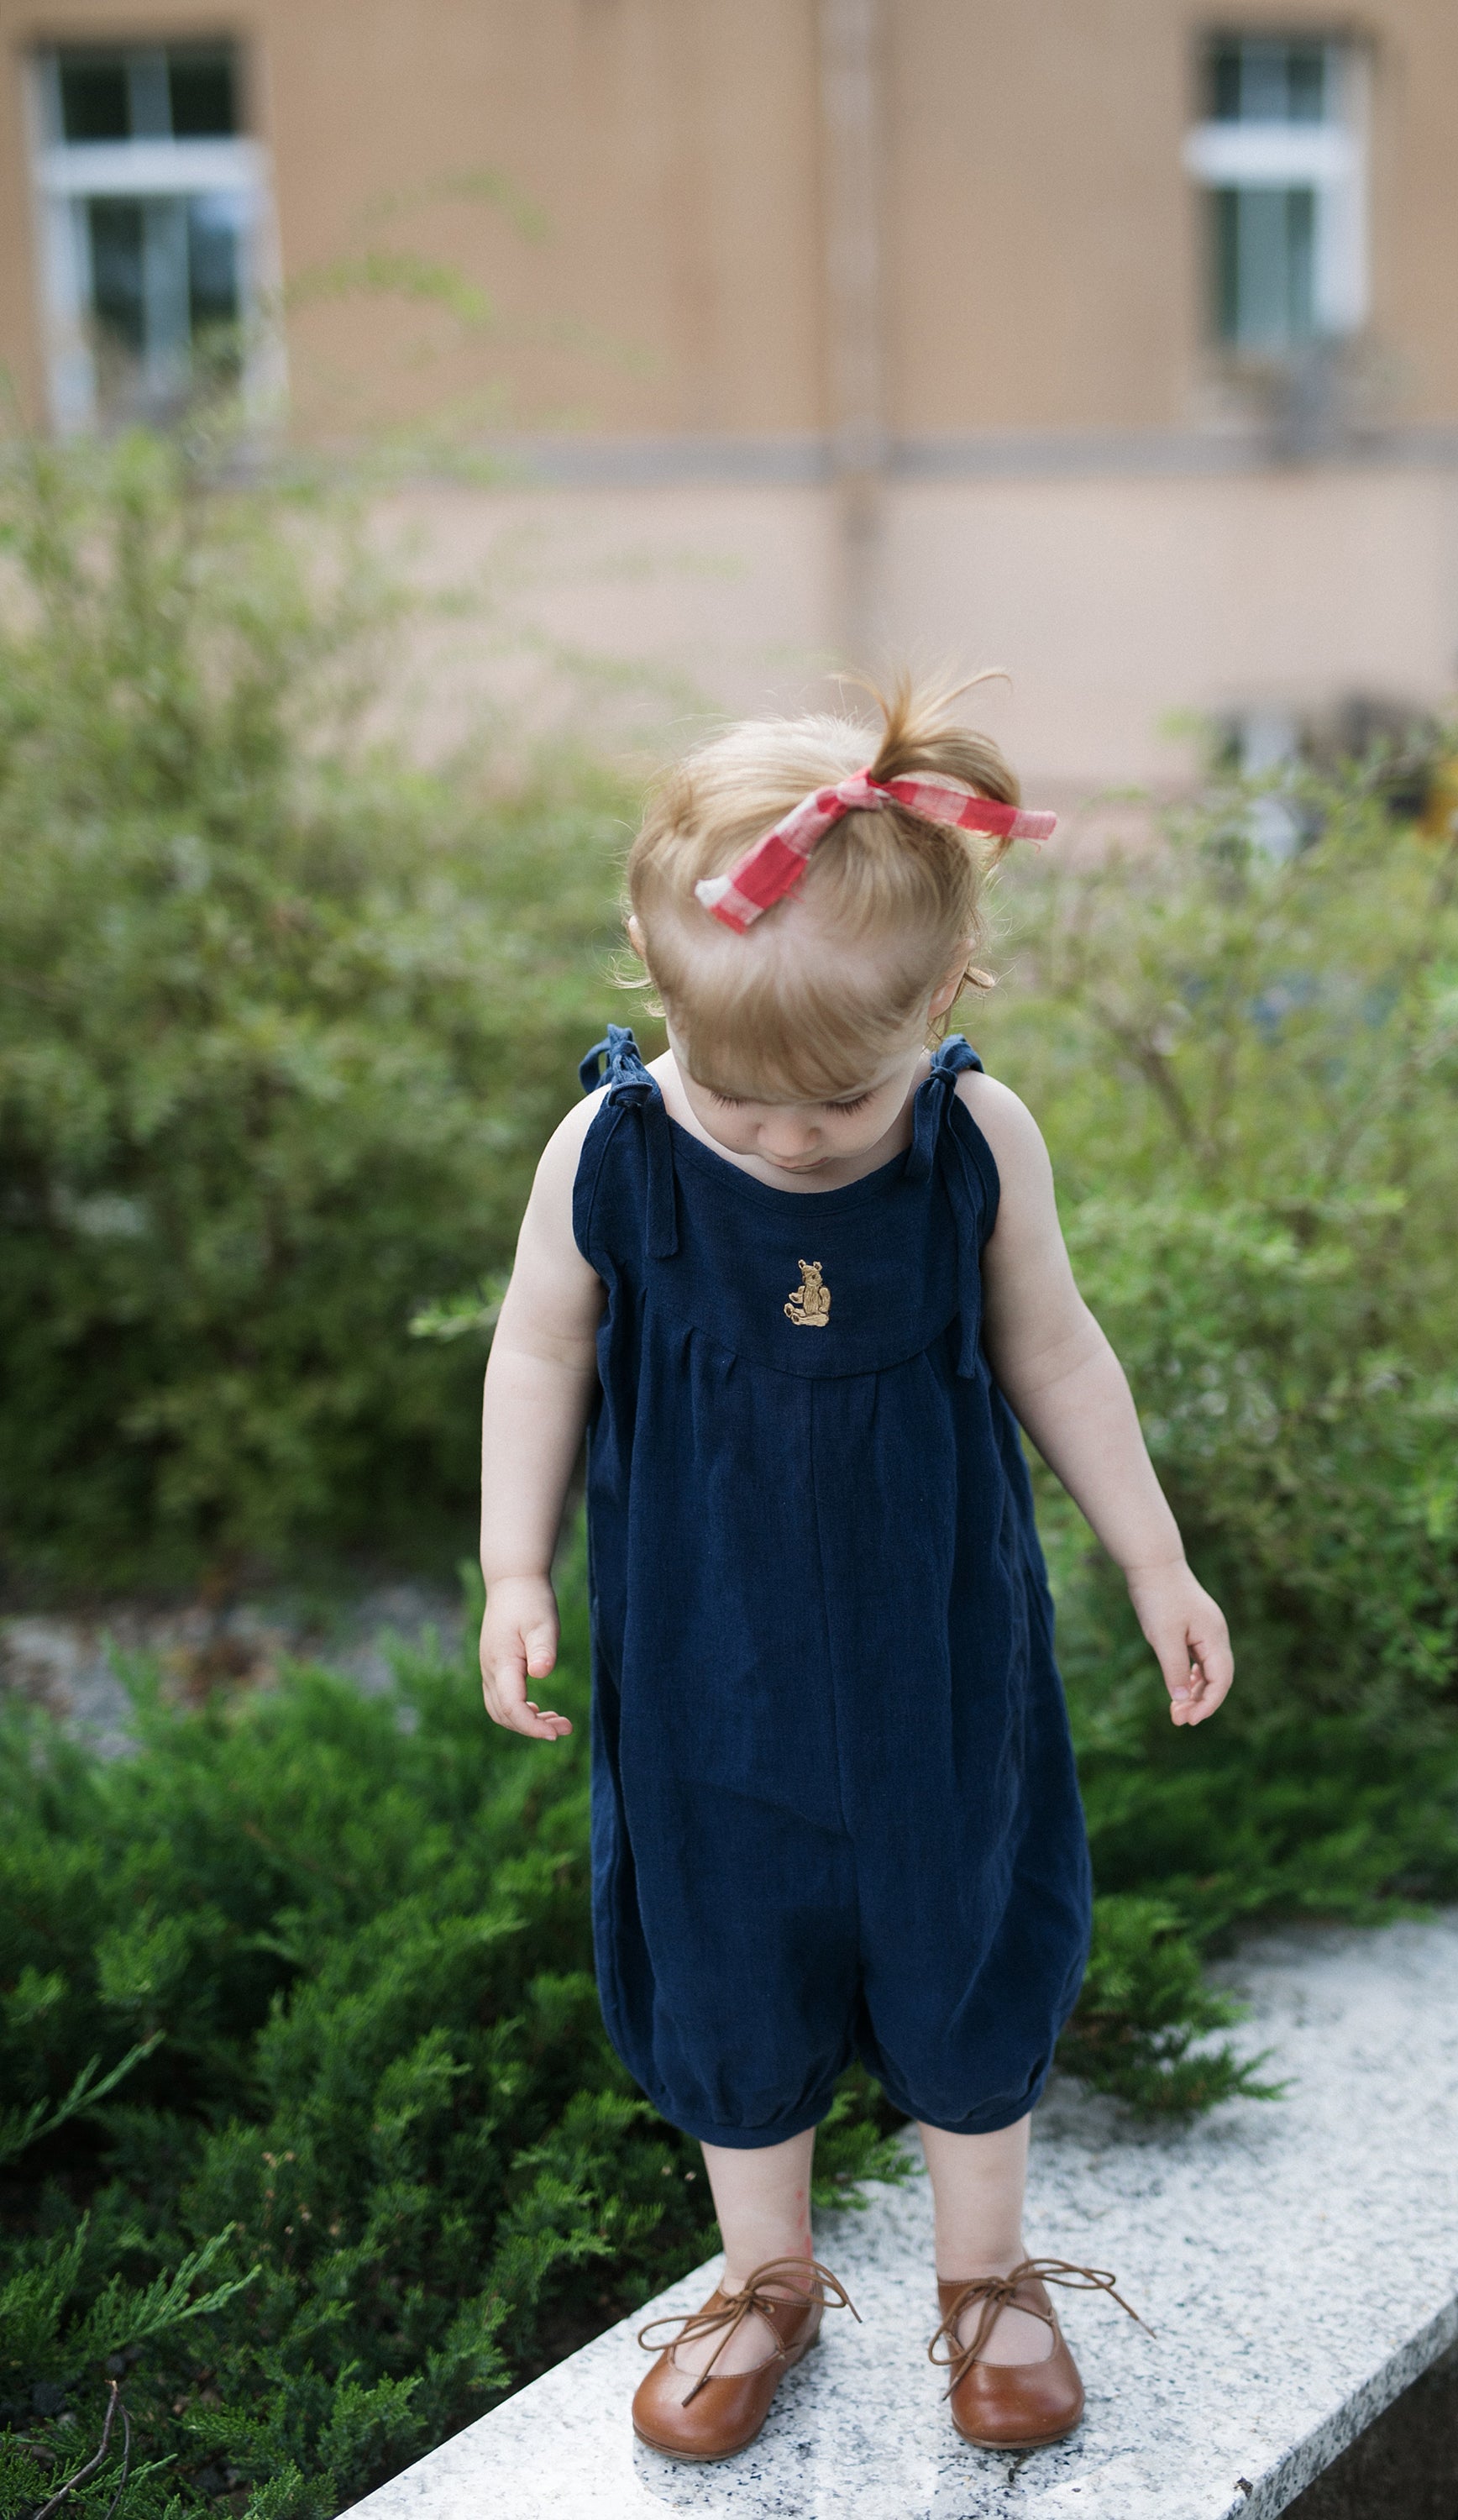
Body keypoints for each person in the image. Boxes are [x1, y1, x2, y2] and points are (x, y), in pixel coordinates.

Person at [478, 679, 1233, 2462]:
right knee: (727, 1955)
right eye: (741, 1092)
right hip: (700, 1671)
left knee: (965, 1928)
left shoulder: (974, 1145)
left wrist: (1155, 1558)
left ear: (942, 1001)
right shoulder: (616, 1155)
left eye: (837, 1091)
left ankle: (987, 2280)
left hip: (938, 1662)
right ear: (661, 996)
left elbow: (1056, 1350)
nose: (791, 1136)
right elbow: (535, 1355)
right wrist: (515, 1568)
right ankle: (765, 2279)